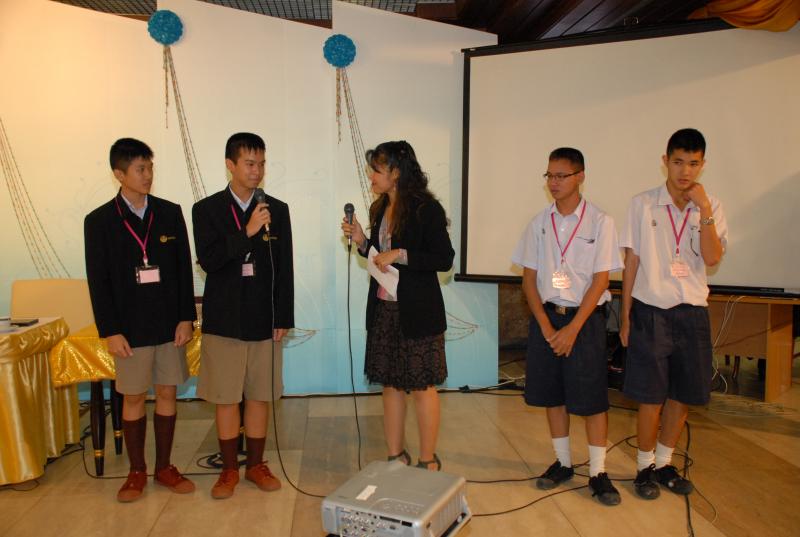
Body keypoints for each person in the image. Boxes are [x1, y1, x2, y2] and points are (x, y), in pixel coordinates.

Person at [84, 137, 196, 502]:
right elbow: (98, 281)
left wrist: (186, 317)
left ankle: (164, 467)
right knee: (132, 397)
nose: (147, 175)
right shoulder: (99, 221)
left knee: (167, 391)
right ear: (119, 174)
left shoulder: (169, 212)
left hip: (168, 324)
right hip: (129, 329)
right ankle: (136, 471)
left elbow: (183, 270)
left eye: (150, 168)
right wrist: (110, 330)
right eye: (140, 169)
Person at [511, 147, 623, 505]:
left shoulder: (600, 222)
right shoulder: (539, 223)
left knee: (591, 399)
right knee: (552, 394)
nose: (554, 182)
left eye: (561, 176)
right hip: (548, 317)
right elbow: (529, 279)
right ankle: (562, 463)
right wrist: (547, 327)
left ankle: (598, 472)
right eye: (550, 175)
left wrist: (572, 329)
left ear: (580, 177)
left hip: (585, 321)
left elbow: (601, 280)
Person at [619, 128, 727, 500]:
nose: (685, 171)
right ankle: (644, 468)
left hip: (692, 313)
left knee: (681, 395)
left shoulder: (711, 206)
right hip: (651, 311)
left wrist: (705, 211)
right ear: (665, 161)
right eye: (678, 162)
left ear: (702, 164)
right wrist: (625, 316)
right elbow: (631, 262)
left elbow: (712, 258)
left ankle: (665, 464)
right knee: (650, 396)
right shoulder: (643, 204)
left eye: (693, 163)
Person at [192, 132, 294, 499]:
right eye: (250, 163)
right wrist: (247, 231)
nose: (257, 171)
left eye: (261, 164)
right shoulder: (206, 210)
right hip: (224, 320)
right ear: (230, 165)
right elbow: (210, 261)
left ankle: (256, 465)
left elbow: (285, 266)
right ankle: (228, 470)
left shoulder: (276, 209)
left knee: (259, 396)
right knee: (225, 397)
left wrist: (283, 316)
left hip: (264, 318)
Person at [341, 140, 454, 470]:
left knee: (421, 386)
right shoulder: (379, 208)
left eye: (377, 170)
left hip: (417, 311)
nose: (371, 176)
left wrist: (401, 254)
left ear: (396, 172)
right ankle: (395, 456)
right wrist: (362, 241)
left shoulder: (425, 209)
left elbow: (444, 259)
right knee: (389, 384)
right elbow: (379, 258)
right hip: (384, 309)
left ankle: (427, 459)